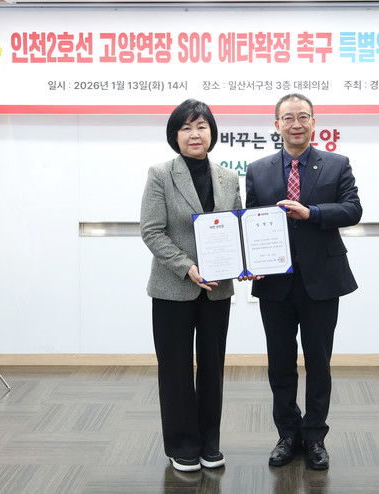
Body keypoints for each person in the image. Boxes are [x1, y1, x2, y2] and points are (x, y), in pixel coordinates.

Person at [245, 93, 362, 470]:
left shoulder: (337, 164)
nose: (296, 124)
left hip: (321, 280)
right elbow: (250, 221)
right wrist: (249, 261)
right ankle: (287, 434)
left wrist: (311, 213)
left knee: (318, 362)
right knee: (279, 363)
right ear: (276, 125)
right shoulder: (257, 170)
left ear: (314, 122)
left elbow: (352, 210)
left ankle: (314, 437)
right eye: (288, 118)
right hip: (275, 282)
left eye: (303, 117)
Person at [140, 99, 241, 473]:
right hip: (173, 287)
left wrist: (245, 263)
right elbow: (152, 231)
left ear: (211, 132)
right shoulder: (160, 175)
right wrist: (188, 267)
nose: (194, 134)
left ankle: (209, 442)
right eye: (185, 127)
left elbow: (236, 228)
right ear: (175, 135)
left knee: (213, 367)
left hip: (217, 290)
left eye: (201, 126)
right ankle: (182, 444)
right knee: (176, 368)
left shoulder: (228, 177)